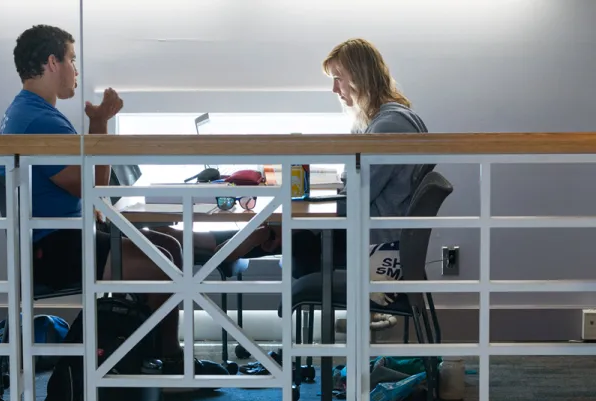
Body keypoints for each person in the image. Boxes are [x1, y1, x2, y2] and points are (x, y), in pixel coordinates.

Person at [0, 24, 227, 385]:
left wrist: (96, 128)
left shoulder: (24, 111)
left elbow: (83, 187)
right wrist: (101, 123)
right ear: (53, 63)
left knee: (168, 244)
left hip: (56, 238)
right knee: (163, 266)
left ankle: (165, 355)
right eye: (72, 59)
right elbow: (93, 187)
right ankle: (155, 364)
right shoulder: (41, 121)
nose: (76, 70)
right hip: (55, 249)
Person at [157, 38, 429, 278]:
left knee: (286, 231)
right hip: (367, 229)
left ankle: (209, 243)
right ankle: (216, 242)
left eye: (339, 78)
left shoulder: (388, 127)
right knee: (283, 227)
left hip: (372, 242)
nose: (335, 89)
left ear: (360, 77)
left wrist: (296, 219)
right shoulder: (387, 120)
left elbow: (355, 197)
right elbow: (355, 184)